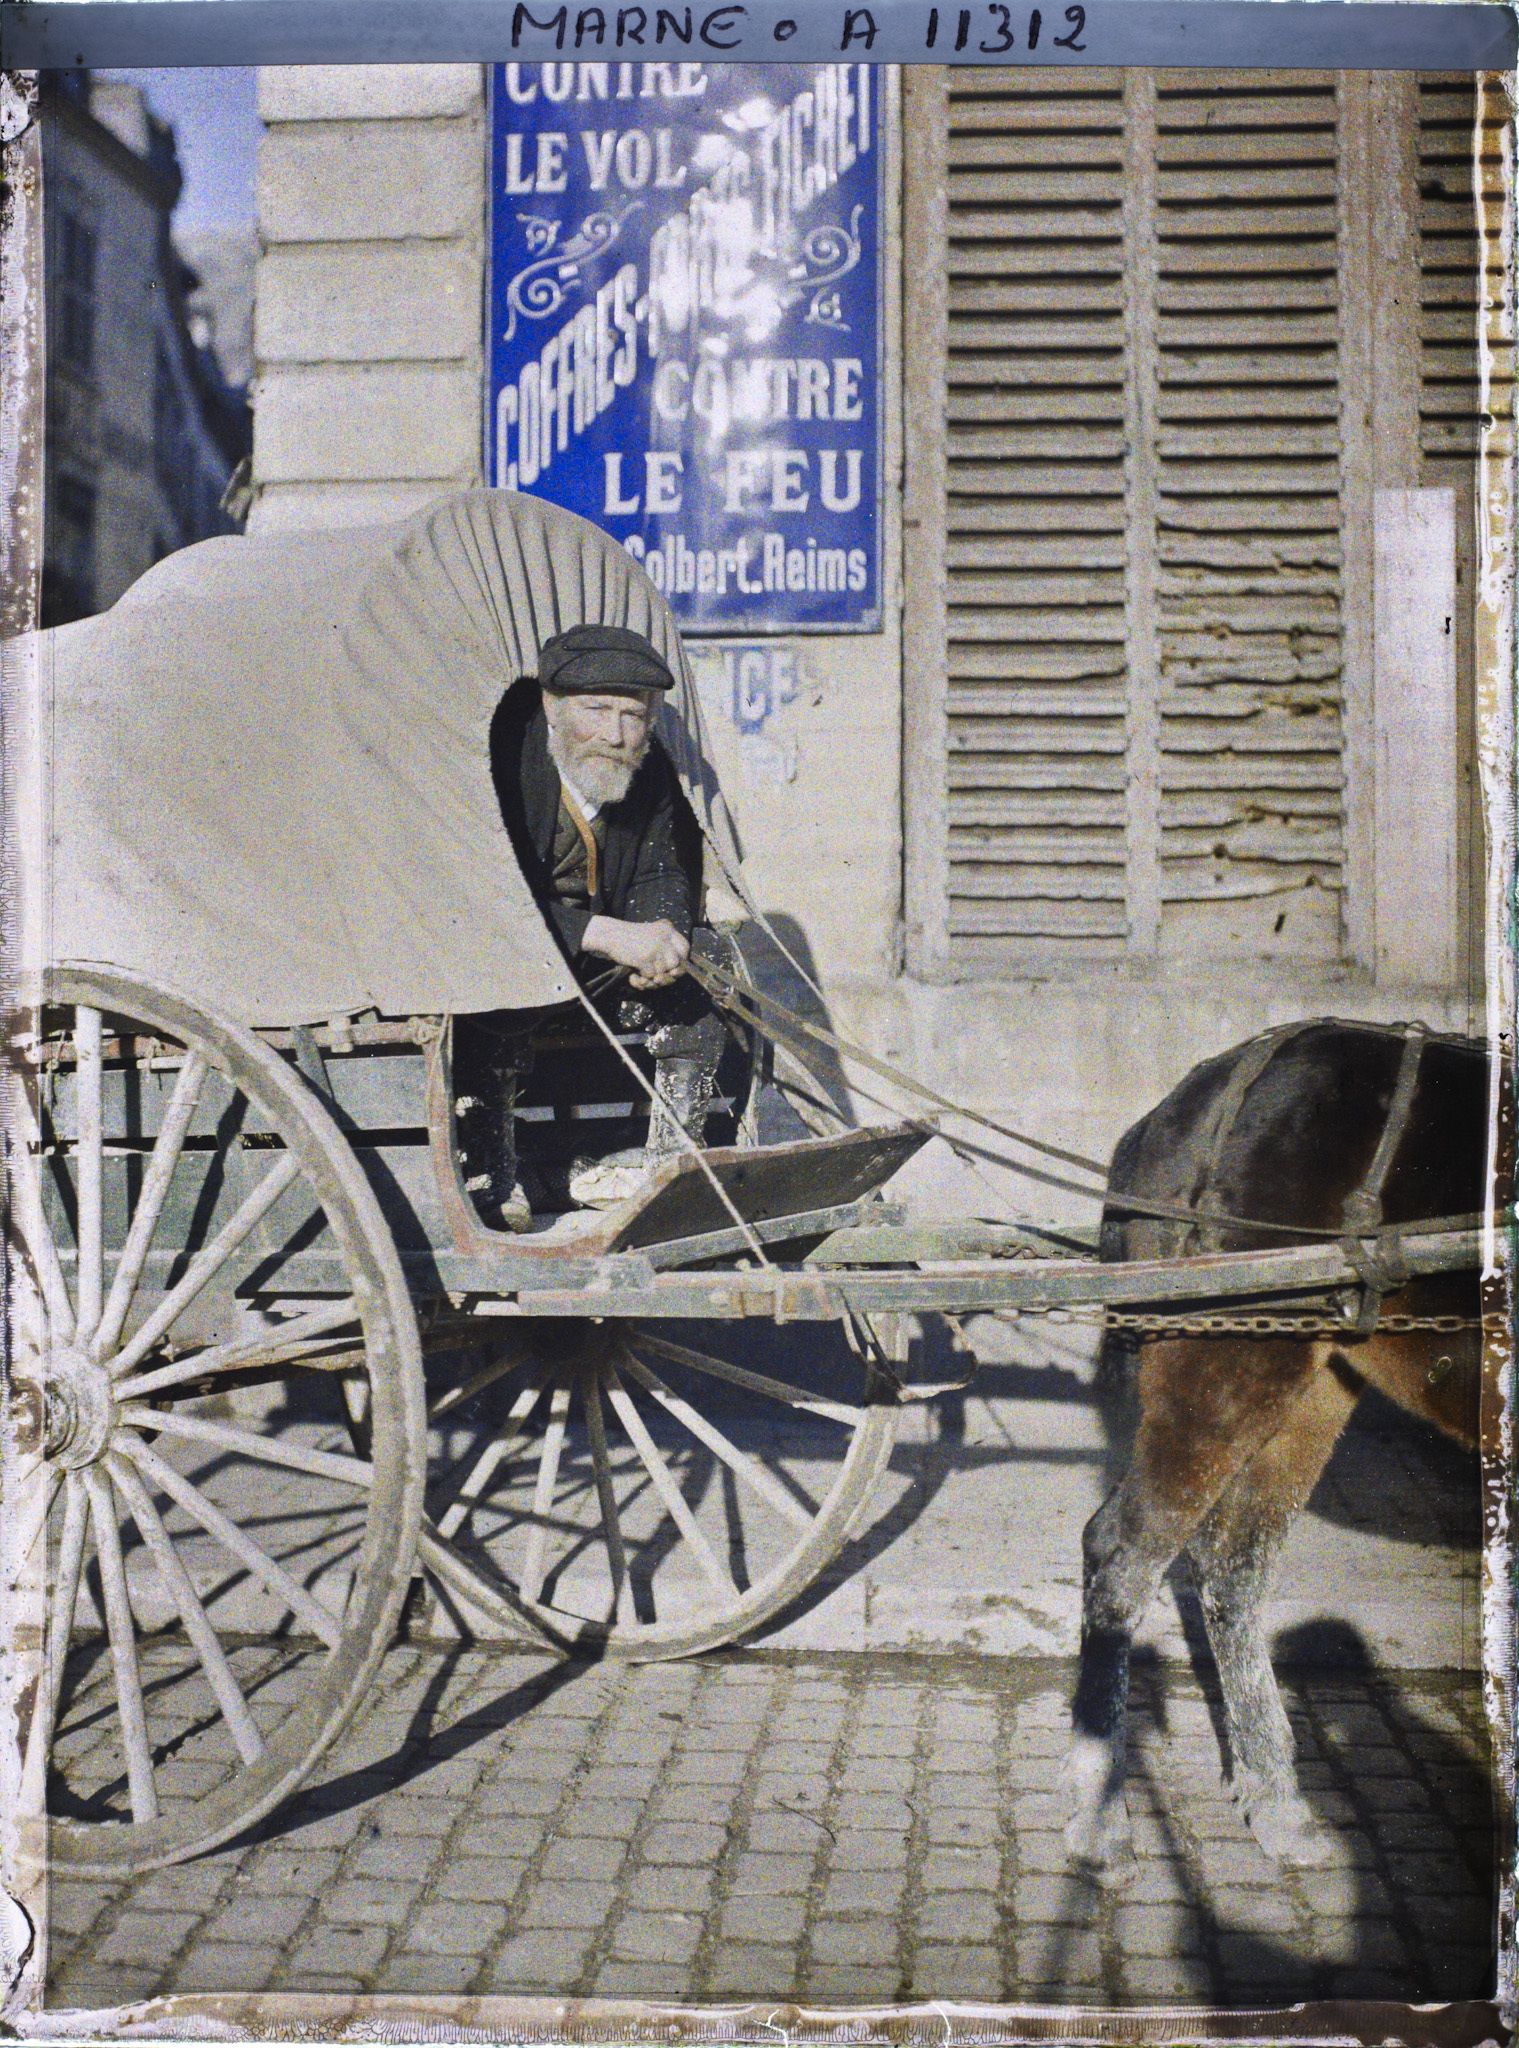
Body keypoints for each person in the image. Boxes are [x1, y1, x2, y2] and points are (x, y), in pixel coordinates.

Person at [463, 622, 732, 1231]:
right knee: (495, 980)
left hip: (597, 970)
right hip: (510, 960)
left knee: (706, 959)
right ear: (551, 705)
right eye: (596, 710)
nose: (615, 735)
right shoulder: (502, 765)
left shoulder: (647, 771)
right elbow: (483, 906)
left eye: (632, 715)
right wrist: (607, 935)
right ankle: (492, 1173)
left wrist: (662, 938)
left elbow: (662, 870)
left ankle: (674, 1169)